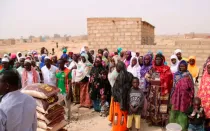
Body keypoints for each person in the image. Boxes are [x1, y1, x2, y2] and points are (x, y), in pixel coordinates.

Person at [145, 53, 173, 126]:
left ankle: (162, 122)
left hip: (163, 92)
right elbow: (147, 76)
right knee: (153, 105)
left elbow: (170, 79)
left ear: (162, 60)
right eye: (156, 59)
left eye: (159, 59)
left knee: (162, 106)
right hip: (153, 91)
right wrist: (150, 80)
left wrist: (162, 80)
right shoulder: (152, 68)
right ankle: (152, 121)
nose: (157, 61)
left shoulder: (167, 69)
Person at [169, 60, 194, 131]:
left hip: (185, 97)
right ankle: (173, 127)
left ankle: (182, 127)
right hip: (176, 96)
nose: (181, 67)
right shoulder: (176, 74)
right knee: (174, 110)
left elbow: (191, 88)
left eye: (183, 66)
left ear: (186, 67)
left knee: (183, 111)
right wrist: (171, 96)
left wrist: (191, 97)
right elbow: (173, 86)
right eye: (180, 66)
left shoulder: (188, 75)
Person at [111, 61, 133, 131]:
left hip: (118, 100)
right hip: (127, 99)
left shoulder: (119, 76)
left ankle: (119, 128)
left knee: (118, 114)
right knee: (125, 114)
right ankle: (126, 127)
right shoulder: (130, 75)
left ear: (118, 68)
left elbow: (117, 89)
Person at [198, 62, 210, 130]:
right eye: (208, 67)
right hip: (204, 102)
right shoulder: (204, 76)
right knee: (203, 116)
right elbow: (200, 88)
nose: (209, 69)